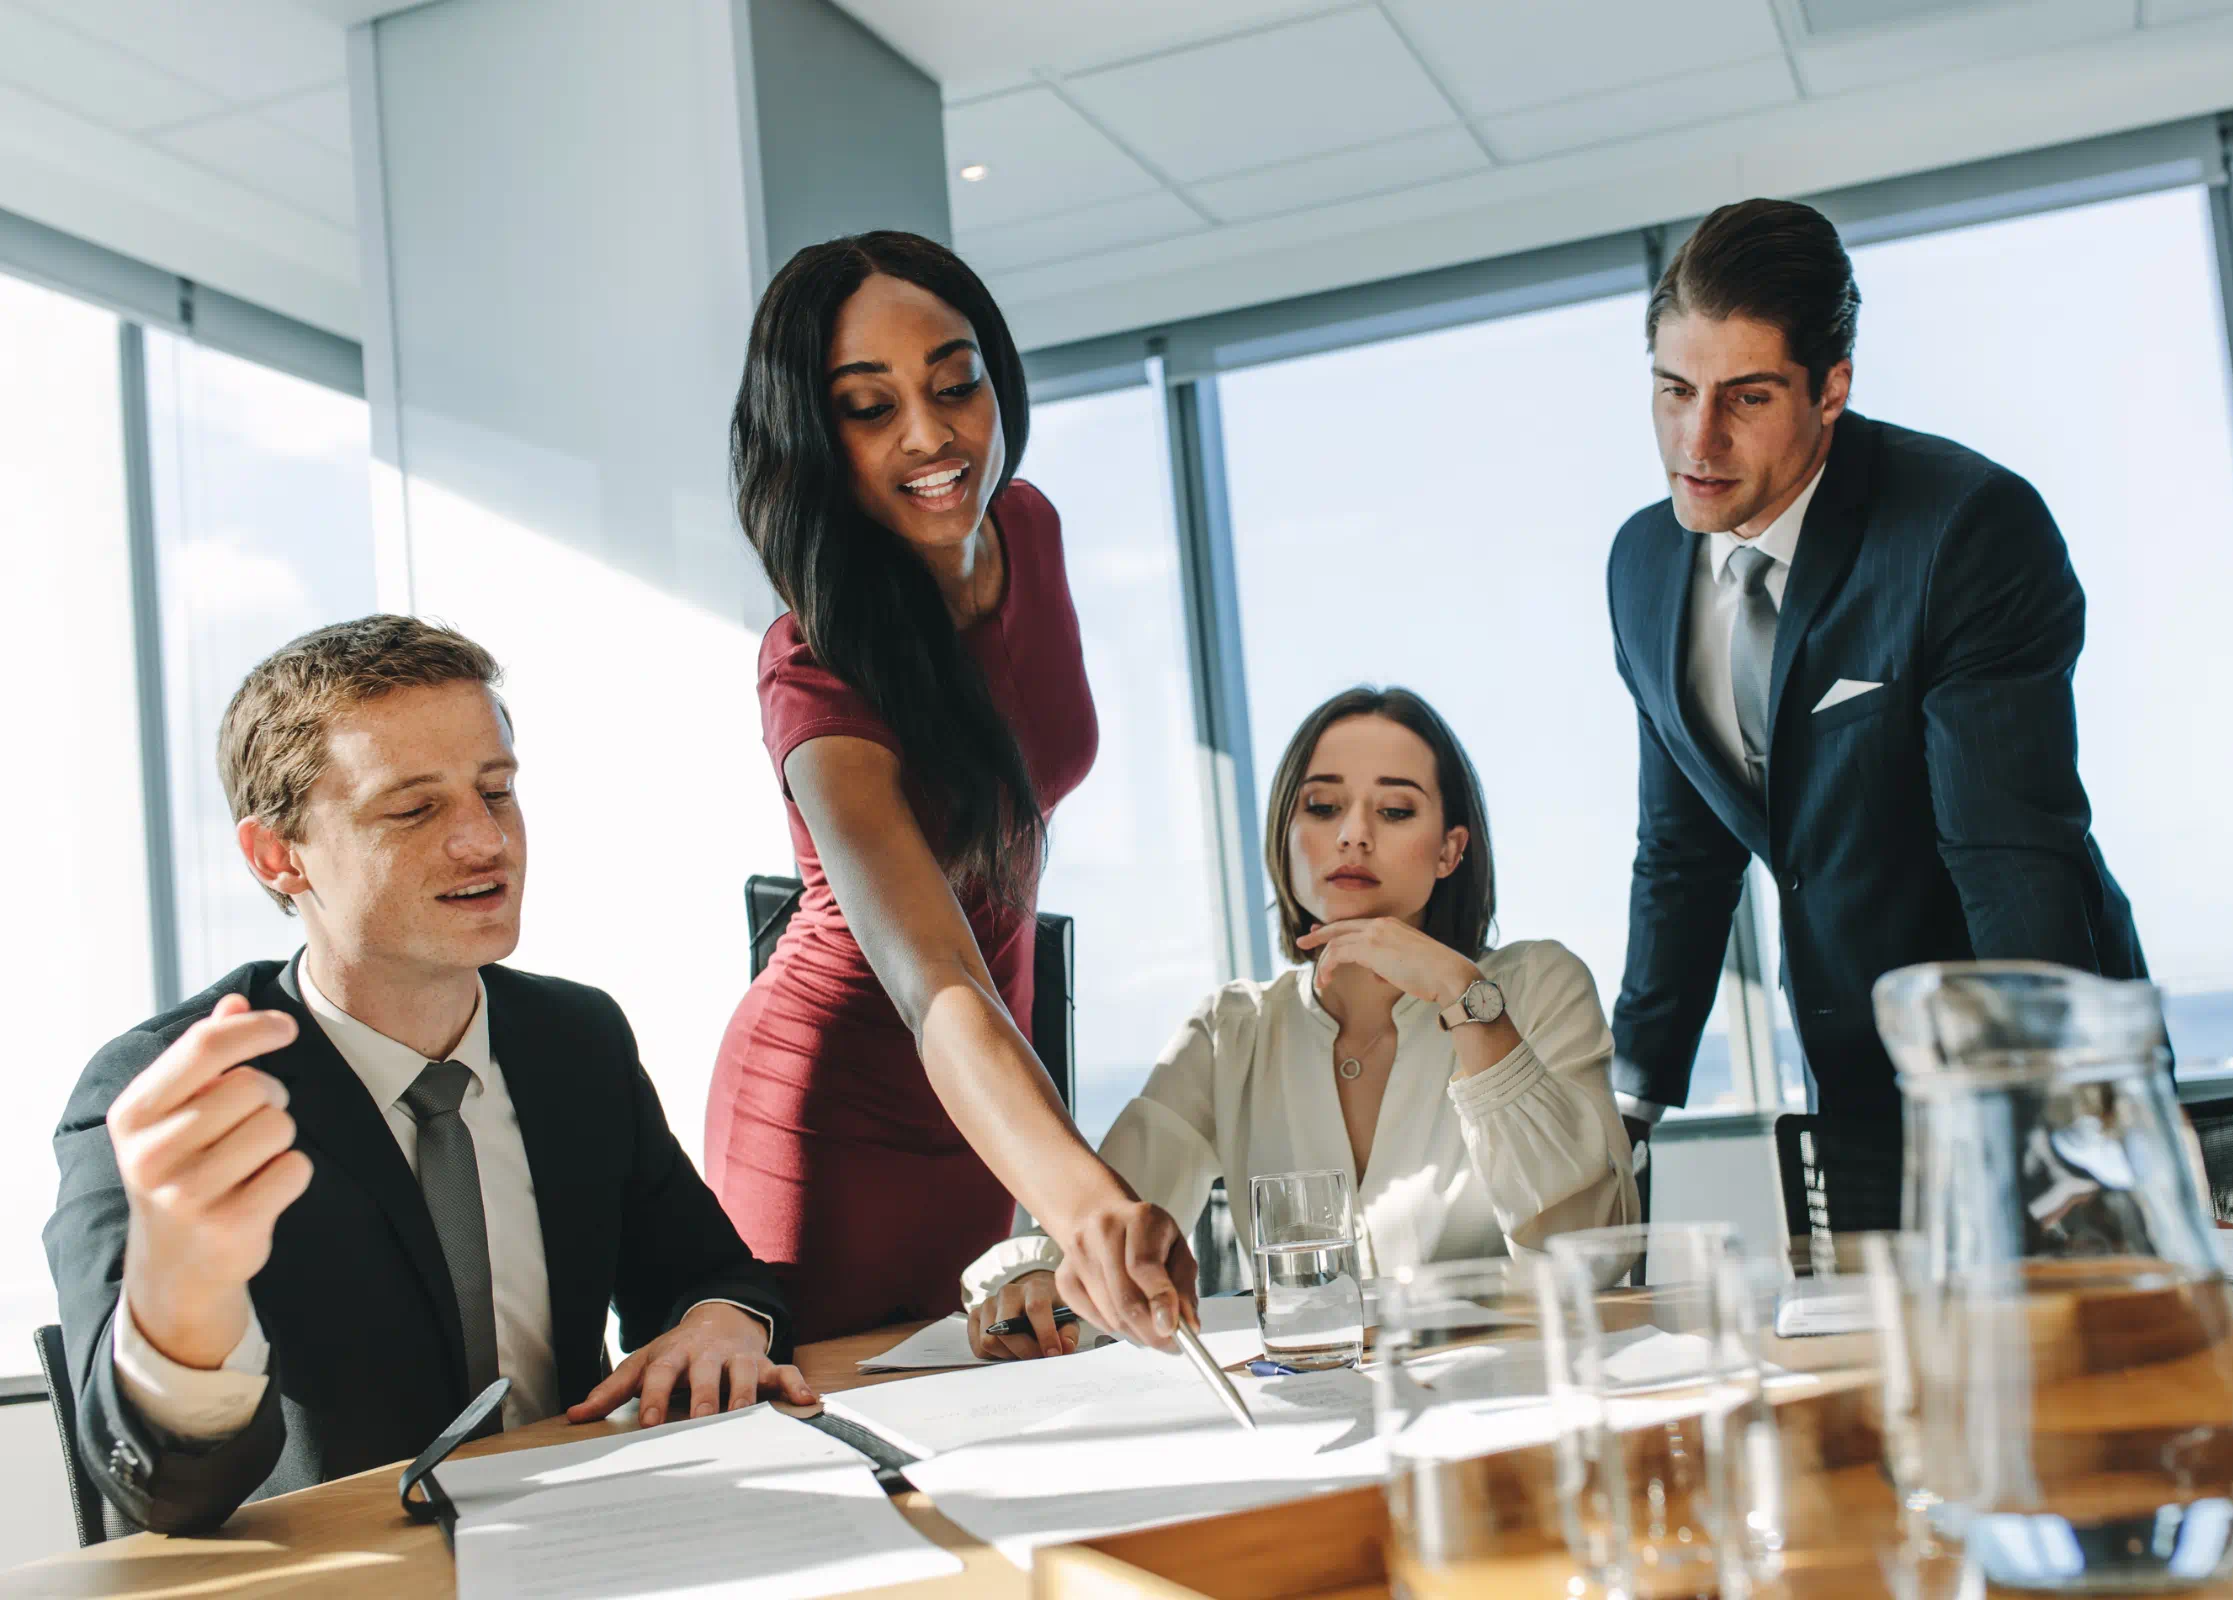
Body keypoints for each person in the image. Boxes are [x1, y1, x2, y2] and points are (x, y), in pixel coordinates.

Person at [46, 617, 810, 1536]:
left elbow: (707, 1271)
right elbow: (158, 1492)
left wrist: (724, 1320)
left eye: (497, 790)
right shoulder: (171, 1095)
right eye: (413, 809)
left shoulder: (577, 1038)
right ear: (277, 856)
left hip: (596, 1545)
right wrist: (184, 1296)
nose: (483, 841)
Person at [707, 231, 1192, 1350]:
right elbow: (934, 982)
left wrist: (1056, 1177)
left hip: (984, 1102)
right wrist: (1084, 1203)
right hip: (832, 1118)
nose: (932, 436)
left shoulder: (1029, 528)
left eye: (954, 383)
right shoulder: (814, 665)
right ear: (813, 440)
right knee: (842, 1447)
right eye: (868, 408)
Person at [1608, 198, 2148, 1129]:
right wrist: (1631, 1100)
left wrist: (2072, 1110)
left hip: (2018, 1059)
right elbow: (1683, 854)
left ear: (1829, 389)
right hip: (1844, 1072)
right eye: (1674, 391)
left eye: (1746, 397)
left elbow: (2008, 850)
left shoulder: (1962, 528)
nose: (1697, 442)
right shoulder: (1643, 565)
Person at [963, 688, 1637, 1358]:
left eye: (1396, 810)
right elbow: (1107, 1228)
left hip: (1516, 1411)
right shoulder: (1232, 1032)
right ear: (1285, 840)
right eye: (1322, 807)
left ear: (1449, 851)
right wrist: (1033, 1276)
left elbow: (1592, 1257)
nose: (1353, 833)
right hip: (1312, 1419)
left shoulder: (1537, 986)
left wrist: (1464, 998)